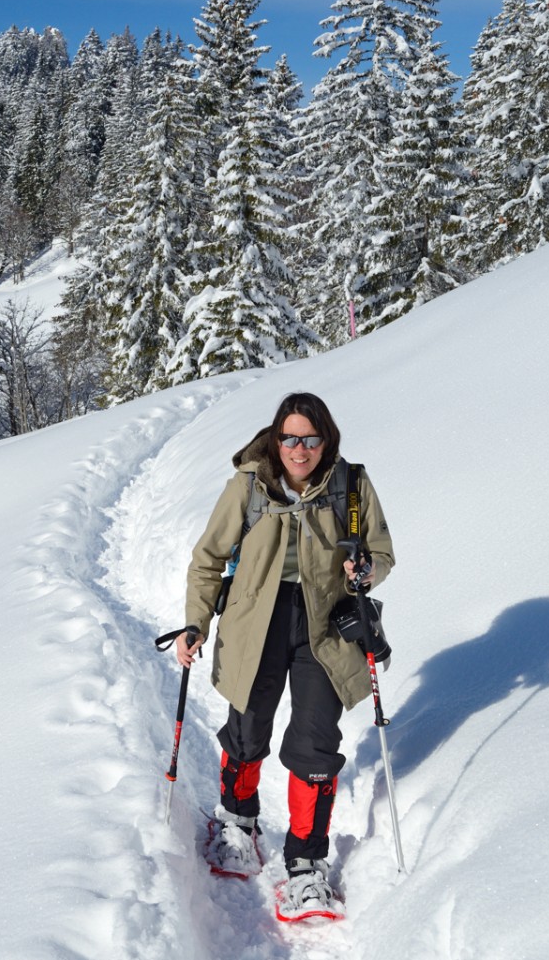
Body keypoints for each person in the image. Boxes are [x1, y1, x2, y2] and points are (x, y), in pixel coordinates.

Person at [175, 391, 394, 915]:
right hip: (258, 621)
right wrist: (195, 623)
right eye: (290, 438)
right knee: (248, 726)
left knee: (316, 740)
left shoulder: (350, 485)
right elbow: (208, 559)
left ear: (326, 441)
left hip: (324, 627)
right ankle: (237, 820)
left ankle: (305, 864)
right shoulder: (249, 486)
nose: (300, 449)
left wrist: (365, 570)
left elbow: (381, 553)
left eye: (310, 438)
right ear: (276, 440)